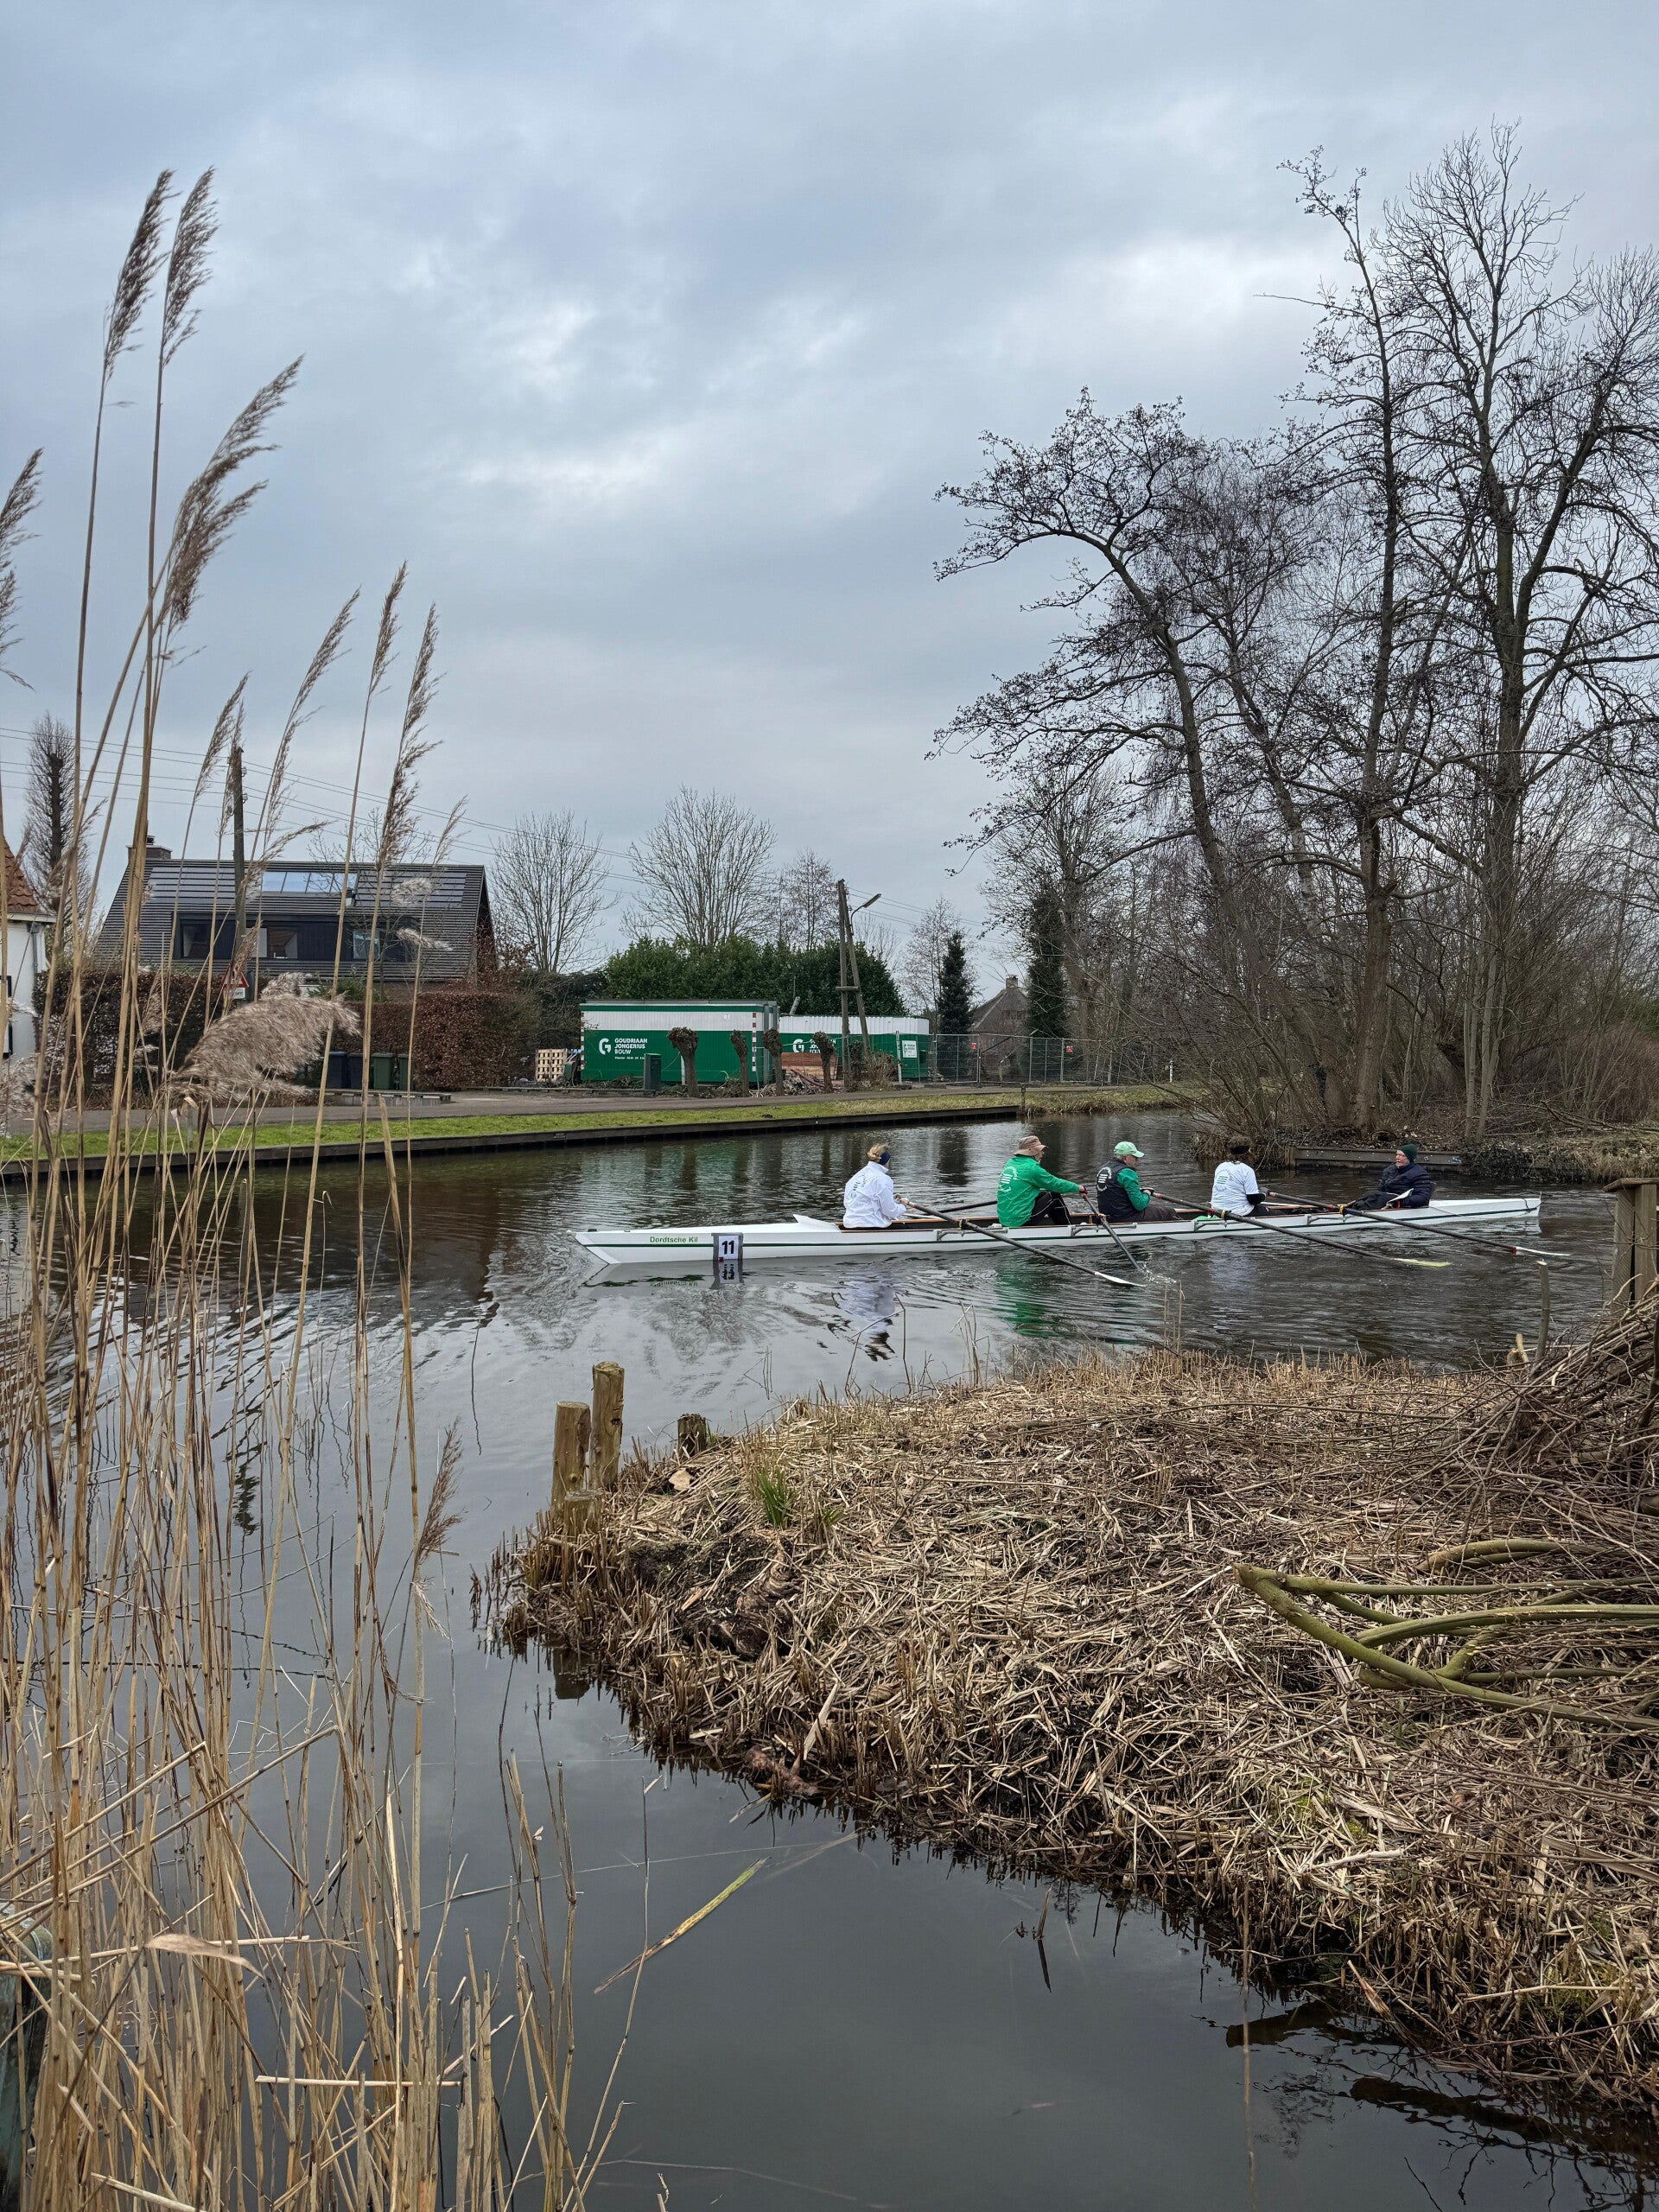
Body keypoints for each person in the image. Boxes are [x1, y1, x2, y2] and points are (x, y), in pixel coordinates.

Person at [995, 1135, 1082, 1228]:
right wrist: (1078, 1188)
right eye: (1040, 1150)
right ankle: (1069, 1229)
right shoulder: (1031, 1168)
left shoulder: (1010, 1163)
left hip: (1004, 1219)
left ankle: (1061, 1227)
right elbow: (1055, 1184)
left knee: (1045, 1193)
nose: (1042, 1153)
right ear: (1032, 1151)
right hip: (1020, 1221)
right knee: (1054, 1196)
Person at [1096, 1139, 1179, 1224]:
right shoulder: (1127, 1173)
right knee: (1169, 1212)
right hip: (1125, 1217)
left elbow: (1115, 1190)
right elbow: (1140, 1205)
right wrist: (1147, 1192)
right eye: (1135, 1157)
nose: (1137, 1160)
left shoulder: (1103, 1169)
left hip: (1105, 1216)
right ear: (1125, 1158)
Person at [1350, 1140, 1434, 1211]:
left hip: (1401, 1205)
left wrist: (1400, 1202)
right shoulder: (1389, 1170)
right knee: (1370, 1194)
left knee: (1382, 1198)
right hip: (1386, 1201)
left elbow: (1422, 1197)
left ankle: (1359, 1211)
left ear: (1410, 1158)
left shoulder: (1419, 1174)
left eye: (1402, 1155)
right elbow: (1380, 1190)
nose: (1397, 1158)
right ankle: (1353, 1207)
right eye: (1397, 1154)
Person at [842, 1142, 910, 1229]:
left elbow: (858, 1200)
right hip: (870, 1226)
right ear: (886, 1161)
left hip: (849, 1224)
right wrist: (903, 1206)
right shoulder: (883, 1179)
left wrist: (891, 1199)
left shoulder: (856, 1177)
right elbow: (890, 1211)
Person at [1209, 1140, 1265, 1217]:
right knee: (1278, 1213)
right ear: (1247, 1153)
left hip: (1216, 1211)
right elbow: (1253, 1200)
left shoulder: (1220, 1166)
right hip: (1239, 1213)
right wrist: (1263, 1195)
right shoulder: (1247, 1170)